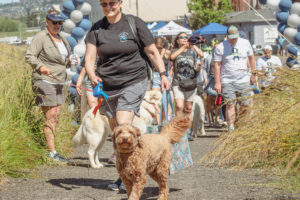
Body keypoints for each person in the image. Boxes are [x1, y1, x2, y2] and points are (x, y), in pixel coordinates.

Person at [84, 0, 170, 193]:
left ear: (121, 3)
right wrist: (91, 75)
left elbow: (151, 51)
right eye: (104, 4)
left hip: (134, 80)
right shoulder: (96, 29)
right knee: (117, 134)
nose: (108, 7)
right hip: (107, 86)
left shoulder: (134, 23)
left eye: (112, 3)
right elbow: (89, 58)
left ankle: (130, 178)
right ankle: (124, 174)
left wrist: (163, 74)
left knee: (123, 125)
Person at [25, 9, 71, 162]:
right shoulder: (41, 37)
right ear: (47, 22)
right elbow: (29, 55)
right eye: (54, 22)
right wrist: (40, 67)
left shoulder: (61, 38)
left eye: (60, 23)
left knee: (56, 116)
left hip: (59, 81)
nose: (58, 25)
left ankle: (52, 150)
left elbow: (62, 61)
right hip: (44, 80)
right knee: (51, 116)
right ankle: (52, 153)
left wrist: (70, 62)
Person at [214, 25, 256, 132]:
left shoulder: (245, 43)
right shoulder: (220, 47)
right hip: (227, 80)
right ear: (227, 35)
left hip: (243, 79)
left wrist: (253, 74)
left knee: (244, 105)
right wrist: (217, 83)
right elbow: (216, 65)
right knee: (230, 104)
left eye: (235, 37)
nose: (233, 39)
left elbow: (251, 59)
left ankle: (241, 125)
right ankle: (231, 127)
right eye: (231, 37)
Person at [170, 32, 204, 117]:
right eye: (182, 37)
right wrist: (184, 47)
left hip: (191, 83)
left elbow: (201, 54)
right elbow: (172, 57)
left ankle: (187, 128)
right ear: (177, 41)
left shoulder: (192, 52)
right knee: (179, 106)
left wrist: (193, 44)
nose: (184, 38)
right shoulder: (174, 51)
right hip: (178, 83)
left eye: (186, 37)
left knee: (188, 108)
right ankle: (179, 127)